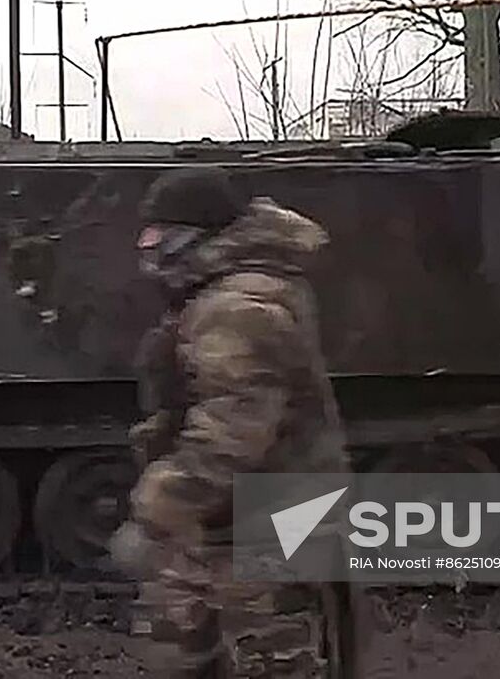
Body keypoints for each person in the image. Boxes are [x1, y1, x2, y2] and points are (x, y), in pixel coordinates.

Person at [109, 166, 364, 678]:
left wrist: (155, 507)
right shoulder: (228, 292)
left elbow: (231, 433)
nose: (149, 255)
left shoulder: (239, 307)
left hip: (271, 518)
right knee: (192, 639)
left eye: (159, 240)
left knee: (268, 652)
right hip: (248, 510)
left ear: (194, 238)